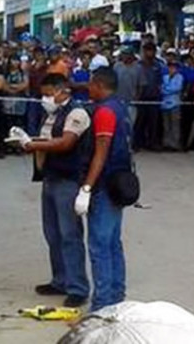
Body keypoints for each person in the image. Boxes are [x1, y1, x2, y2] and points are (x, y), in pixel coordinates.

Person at [6, 73, 92, 308]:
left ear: (61, 90)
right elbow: (46, 140)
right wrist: (27, 141)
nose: (45, 98)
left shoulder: (77, 113)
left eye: (47, 93)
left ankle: (78, 287)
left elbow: (66, 143)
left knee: (69, 235)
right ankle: (60, 280)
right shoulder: (52, 115)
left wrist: (32, 145)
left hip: (69, 180)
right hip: (51, 178)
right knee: (53, 234)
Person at [74, 67, 133, 312]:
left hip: (105, 185)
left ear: (99, 85)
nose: (88, 89)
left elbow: (100, 153)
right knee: (112, 242)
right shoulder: (121, 107)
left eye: (90, 85)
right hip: (119, 181)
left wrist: (86, 187)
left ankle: (102, 304)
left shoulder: (105, 112)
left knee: (99, 245)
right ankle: (117, 294)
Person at [134, 42, 165, 151]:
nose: (149, 53)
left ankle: (152, 143)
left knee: (153, 123)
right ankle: (137, 143)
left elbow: (161, 81)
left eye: (151, 50)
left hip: (154, 97)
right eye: (147, 50)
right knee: (139, 122)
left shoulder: (158, 65)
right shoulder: (138, 65)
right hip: (141, 97)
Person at [113, 46, 141, 125]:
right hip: (118, 101)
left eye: (126, 54)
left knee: (130, 125)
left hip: (131, 102)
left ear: (131, 55)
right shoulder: (117, 66)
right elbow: (113, 82)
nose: (123, 56)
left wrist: (137, 98)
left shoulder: (138, 68)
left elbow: (141, 86)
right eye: (123, 54)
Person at [161, 59, 184, 151]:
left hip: (175, 103)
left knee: (175, 124)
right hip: (165, 103)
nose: (172, 69)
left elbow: (177, 88)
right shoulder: (165, 77)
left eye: (173, 67)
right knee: (166, 124)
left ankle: (175, 143)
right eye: (170, 67)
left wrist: (167, 90)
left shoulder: (180, 77)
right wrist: (167, 90)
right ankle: (166, 143)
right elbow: (162, 88)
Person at [3, 55, 29, 136]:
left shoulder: (23, 73)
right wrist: (9, 89)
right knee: (8, 123)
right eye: (13, 60)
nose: (15, 63)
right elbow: (3, 84)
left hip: (20, 102)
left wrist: (15, 88)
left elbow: (25, 84)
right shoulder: (5, 73)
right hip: (7, 102)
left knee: (19, 123)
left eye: (17, 60)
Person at [27, 47, 48, 137]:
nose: (38, 56)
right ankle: (32, 138)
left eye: (40, 54)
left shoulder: (47, 67)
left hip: (44, 95)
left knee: (43, 118)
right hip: (33, 94)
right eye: (36, 54)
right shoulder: (30, 67)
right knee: (32, 118)